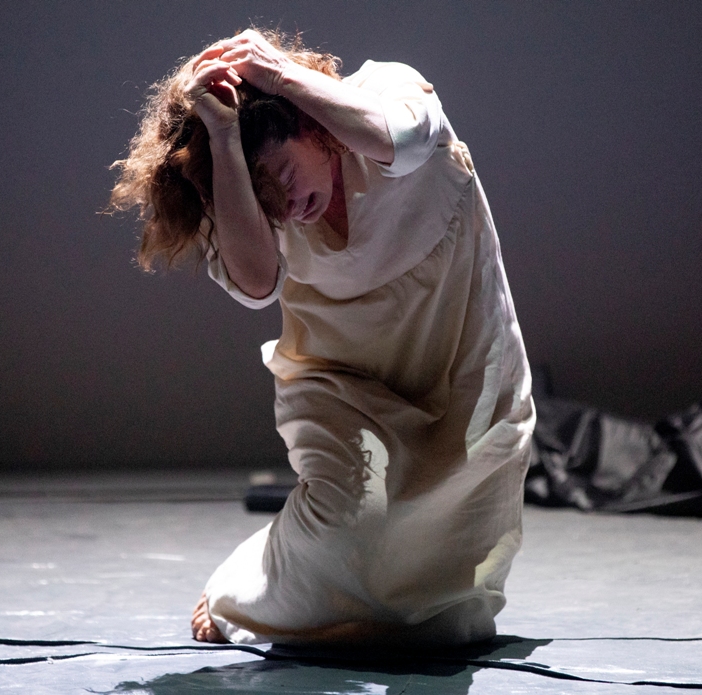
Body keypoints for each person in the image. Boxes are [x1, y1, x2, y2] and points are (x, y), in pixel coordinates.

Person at [110, 29, 535, 647]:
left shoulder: (384, 90)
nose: (287, 206)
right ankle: (239, 589)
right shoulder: (241, 188)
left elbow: (405, 140)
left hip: (460, 361)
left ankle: (379, 601)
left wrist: (279, 76)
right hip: (341, 381)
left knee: (448, 621)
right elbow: (256, 284)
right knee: (348, 532)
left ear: (309, 127)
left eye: (284, 174)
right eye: (268, 198)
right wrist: (223, 140)